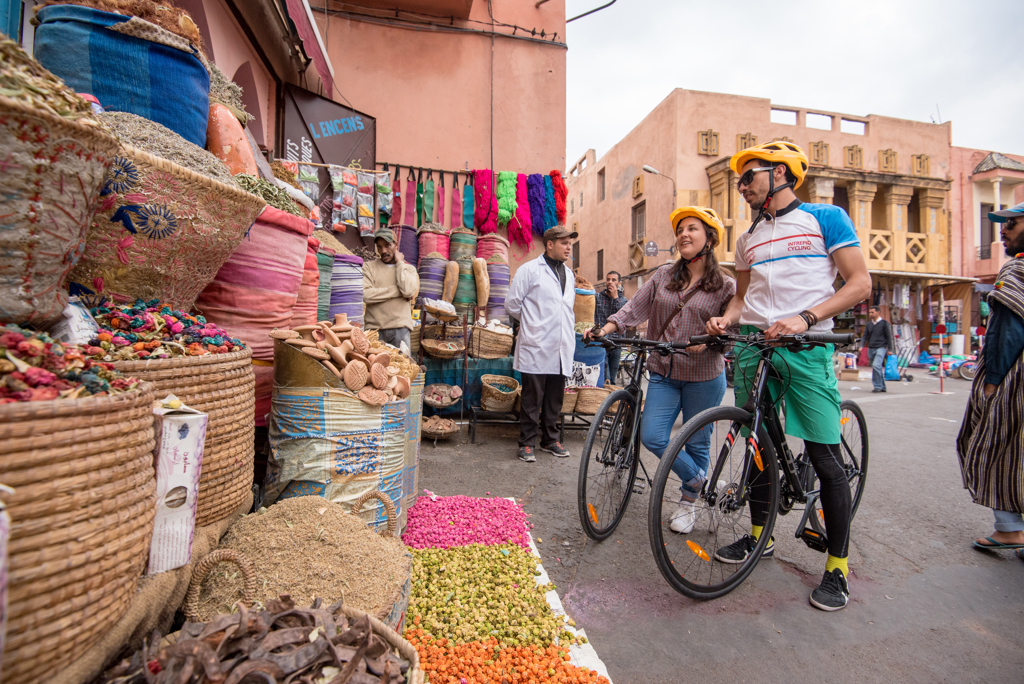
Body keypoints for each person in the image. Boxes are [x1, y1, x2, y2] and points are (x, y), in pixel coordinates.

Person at [706, 141, 872, 611]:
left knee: (823, 457)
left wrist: (805, 317)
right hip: (756, 348)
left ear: (780, 173)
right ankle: (762, 537)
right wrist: (727, 318)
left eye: (748, 177)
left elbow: (860, 283)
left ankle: (836, 568)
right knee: (757, 446)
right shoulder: (747, 239)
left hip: (806, 346)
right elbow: (742, 299)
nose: (741, 187)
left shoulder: (825, 218)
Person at [590, 207, 735, 532]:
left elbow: (731, 335)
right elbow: (634, 308)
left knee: (698, 442)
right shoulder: (663, 276)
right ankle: (700, 481)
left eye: (692, 229)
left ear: (709, 238)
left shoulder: (725, 286)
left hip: (704, 376)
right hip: (664, 372)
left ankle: (687, 504)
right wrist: (606, 328)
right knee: (653, 435)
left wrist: (712, 340)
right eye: (680, 229)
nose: (684, 234)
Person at [958, 200, 1024, 560]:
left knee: (998, 449)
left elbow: (1005, 333)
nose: (1003, 230)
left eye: (1011, 224)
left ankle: (1009, 529)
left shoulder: (1015, 272)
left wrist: (992, 382)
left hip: (1015, 381)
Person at [506, 227, 578, 463]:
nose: (569, 247)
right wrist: (532, 325)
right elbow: (513, 304)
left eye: (570, 243)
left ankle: (550, 439)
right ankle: (527, 443)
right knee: (532, 397)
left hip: (561, 345)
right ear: (549, 244)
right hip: (536, 343)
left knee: (554, 397)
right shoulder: (529, 270)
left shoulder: (569, 274)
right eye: (564, 243)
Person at [362, 227, 419, 353]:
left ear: (396, 244)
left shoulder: (408, 269)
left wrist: (399, 263)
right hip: (374, 330)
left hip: (400, 329)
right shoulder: (369, 267)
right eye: (379, 247)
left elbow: (409, 291)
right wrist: (398, 291)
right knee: (374, 370)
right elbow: (366, 295)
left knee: (403, 371)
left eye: (388, 245)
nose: (383, 251)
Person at [595, 271, 627, 384]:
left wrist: (615, 297)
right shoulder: (598, 297)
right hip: (601, 342)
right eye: (608, 279)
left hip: (616, 342)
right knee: (605, 377)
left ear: (619, 283)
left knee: (612, 378)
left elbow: (622, 318)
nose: (610, 282)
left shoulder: (623, 301)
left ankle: (611, 400)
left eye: (613, 280)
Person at [863, 306, 894, 393]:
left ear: (878, 312)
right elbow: (865, 335)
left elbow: (889, 337)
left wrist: (890, 349)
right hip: (871, 347)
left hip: (881, 347)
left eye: (872, 312)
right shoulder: (869, 324)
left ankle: (877, 386)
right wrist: (861, 346)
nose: (871, 314)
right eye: (870, 312)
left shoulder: (884, 323)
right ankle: (882, 386)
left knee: (876, 365)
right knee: (877, 368)